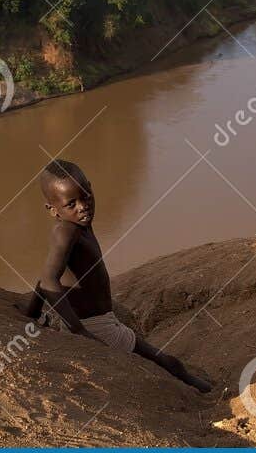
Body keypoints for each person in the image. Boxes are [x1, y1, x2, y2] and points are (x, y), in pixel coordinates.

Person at [19, 160, 212, 390]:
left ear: (91, 188)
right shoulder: (66, 231)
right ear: (53, 209)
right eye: (71, 204)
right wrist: (79, 331)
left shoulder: (77, 226)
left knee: (159, 358)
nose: (83, 207)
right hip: (96, 326)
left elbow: (46, 274)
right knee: (164, 361)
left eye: (86, 196)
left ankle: (200, 387)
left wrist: (32, 312)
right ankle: (205, 393)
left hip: (100, 320)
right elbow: (49, 278)